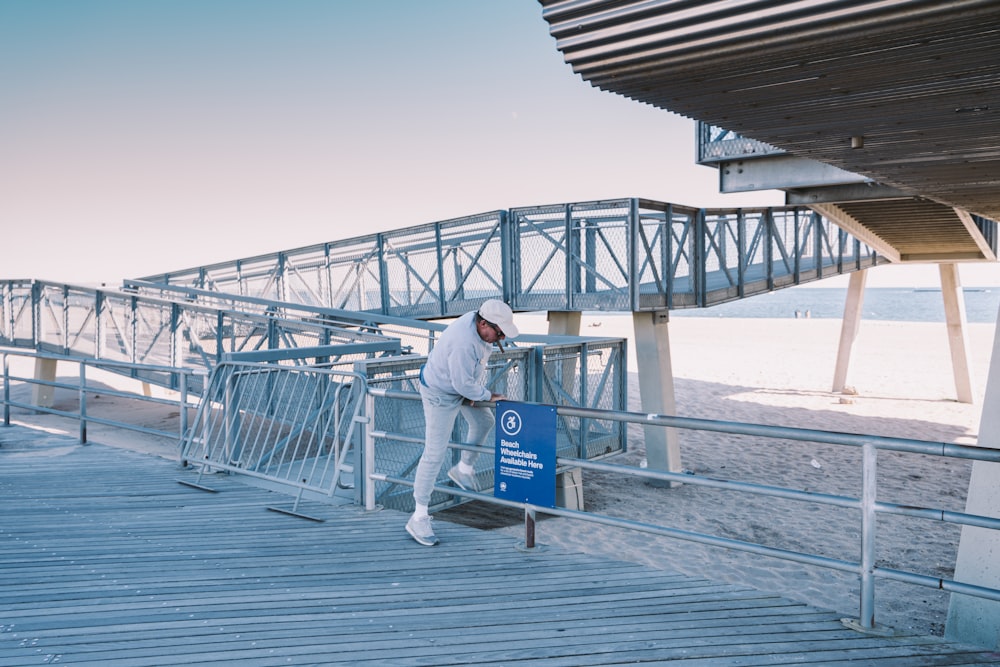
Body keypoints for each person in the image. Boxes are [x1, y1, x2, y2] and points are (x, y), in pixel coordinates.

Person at [405, 299, 519, 546]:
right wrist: (486, 395)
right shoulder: (463, 342)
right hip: (440, 392)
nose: (500, 338)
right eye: (498, 332)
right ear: (483, 323)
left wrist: (474, 392)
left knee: (484, 423)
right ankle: (419, 515)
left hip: (461, 386)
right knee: (434, 452)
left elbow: (466, 378)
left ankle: (464, 468)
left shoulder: (479, 325)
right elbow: (461, 383)